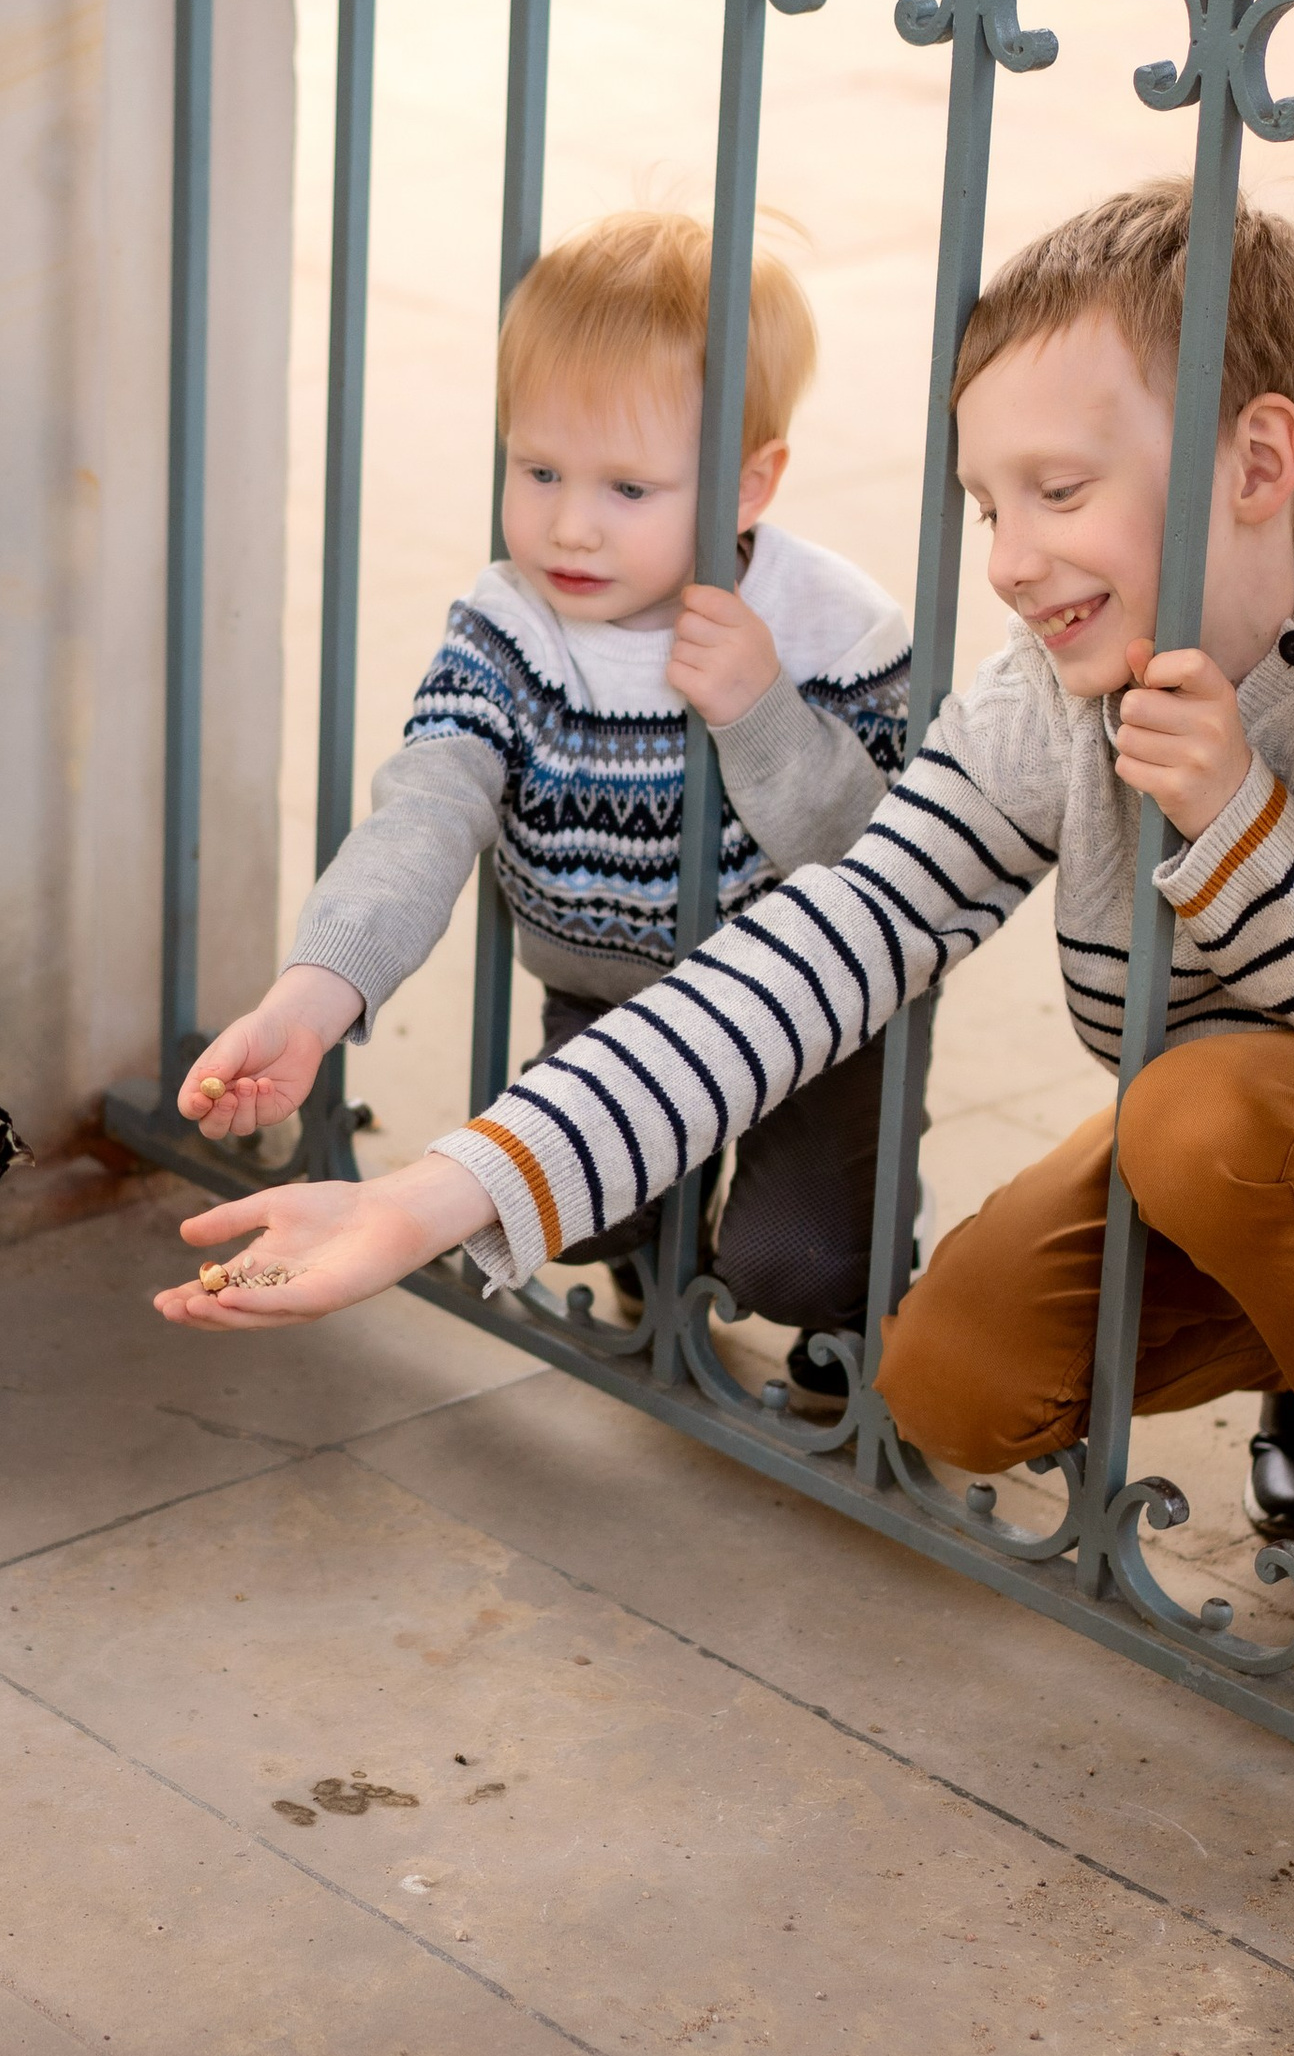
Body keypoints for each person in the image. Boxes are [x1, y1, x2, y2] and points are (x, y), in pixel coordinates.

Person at [158, 178, 1294, 1741]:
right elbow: (825, 941)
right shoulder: (1044, 706)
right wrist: (432, 1197)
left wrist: (1240, 833)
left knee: (1199, 1114)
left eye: (1061, 490)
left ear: (1259, 463)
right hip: (1252, 1148)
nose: (1013, 560)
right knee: (949, 1381)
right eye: (988, 505)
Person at [180, 207, 909, 1384]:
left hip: (801, 1015)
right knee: (584, 1212)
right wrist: (314, 998)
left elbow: (887, 861)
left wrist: (762, 714)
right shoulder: (510, 627)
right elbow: (422, 811)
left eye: (628, 486)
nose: (569, 521)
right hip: (604, 996)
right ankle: (649, 1250)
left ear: (747, 482)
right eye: (539, 469)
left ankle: (853, 1319)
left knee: (799, 1259)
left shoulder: (833, 625)